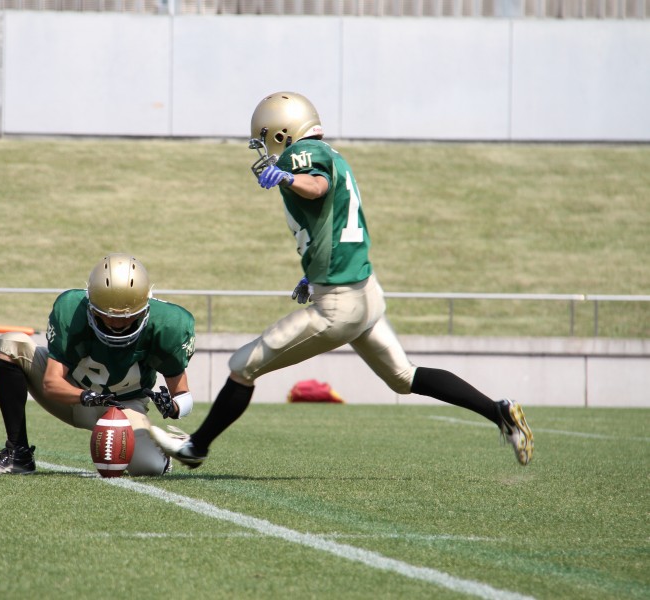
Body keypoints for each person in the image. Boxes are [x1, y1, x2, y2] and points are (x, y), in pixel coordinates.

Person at [151, 91, 534, 470]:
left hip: (339, 304)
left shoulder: (303, 154)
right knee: (404, 377)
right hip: (365, 292)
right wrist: (312, 273)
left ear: (283, 131)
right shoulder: (334, 155)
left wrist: (288, 177)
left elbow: (317, 186)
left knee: (243, 366)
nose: (265, 150)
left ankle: (196, 447)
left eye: (266, 138)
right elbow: (334, 221)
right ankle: (499, 411)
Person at [0, 254, 197, 477]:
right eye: (106, 315)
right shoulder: (71, 310)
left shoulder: (169, 325)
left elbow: (183, 396)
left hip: (125, 407)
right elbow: (52, 383)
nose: (116, 323)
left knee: (148, 467)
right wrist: (86, 397)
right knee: (11, 344)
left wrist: (173, 407)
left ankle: (160, 454)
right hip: (73, 395)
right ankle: (17, 453)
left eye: (128, 317)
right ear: (91, 304)